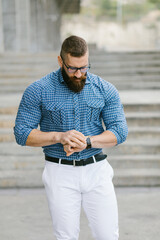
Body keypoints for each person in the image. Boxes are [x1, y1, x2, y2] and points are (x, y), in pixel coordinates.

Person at [14, 35, 128, 240]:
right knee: (65, 236)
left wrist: (88, 142)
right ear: (60, 61)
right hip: (59, 172)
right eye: (73, 68)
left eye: (84, 67)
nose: (79, 74)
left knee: (108, 235)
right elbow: (22, 133)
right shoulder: (38, 90)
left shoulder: (105, 89)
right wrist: (59, 136)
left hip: (97, 171)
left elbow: (119, 131)